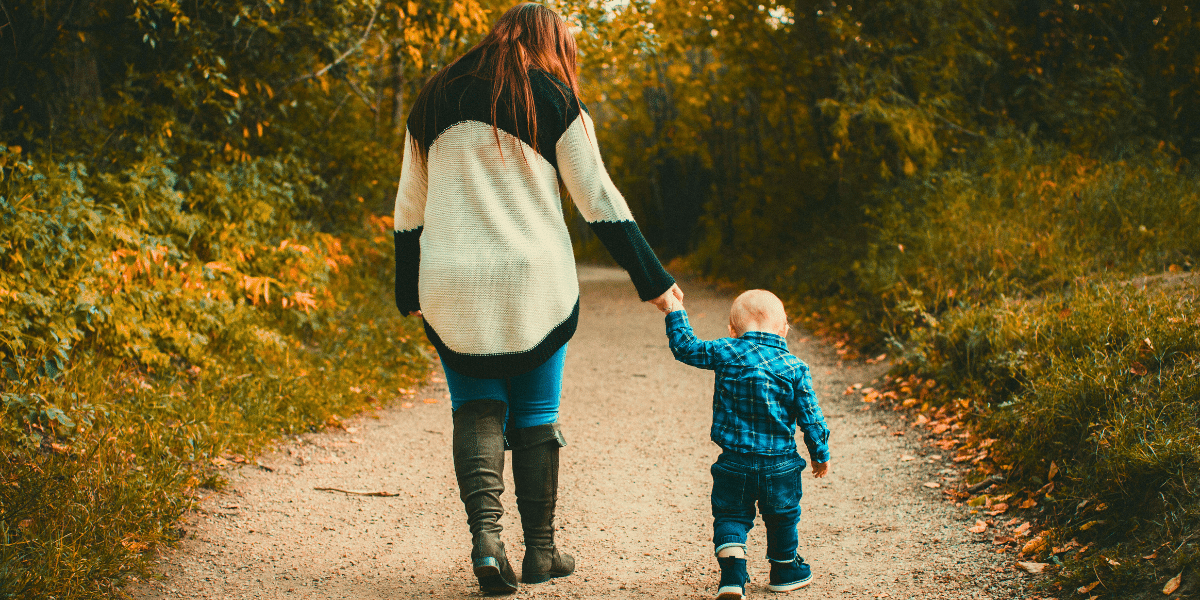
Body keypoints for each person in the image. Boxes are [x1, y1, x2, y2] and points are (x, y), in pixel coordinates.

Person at [392, 2, 683, 594]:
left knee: (475, 406)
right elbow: (597, 196)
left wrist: (407, 289)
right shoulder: (551, 96)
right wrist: (653, 279)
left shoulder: (434, 94)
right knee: (535, 413)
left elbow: (409, 207)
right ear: (549, 42)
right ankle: (542, 552)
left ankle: (486, 543)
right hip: (533, 280)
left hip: (450, 276)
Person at [662, 289, 830, 599]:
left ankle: (732, 575)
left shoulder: (726, 350)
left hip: (733, 462)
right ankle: (784, 570)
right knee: (782, 516)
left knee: (730, 516)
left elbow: (685, 347)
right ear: (785, 329)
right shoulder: (795, 367)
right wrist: (820, 453)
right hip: (780, 464)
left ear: (732, 329)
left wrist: (674, 309)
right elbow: (811, 417)